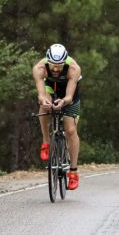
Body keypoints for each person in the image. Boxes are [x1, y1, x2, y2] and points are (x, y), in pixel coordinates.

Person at [32, 43, 82, 190]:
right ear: (48, 61)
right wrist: (44, 100)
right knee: (44, 105)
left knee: (71, 131)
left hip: (69, 92)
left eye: (59, 65)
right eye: (53, 64)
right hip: (50, 87)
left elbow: (68, 96)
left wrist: (64, 101)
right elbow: (41, 94)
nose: (55, 68)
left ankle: (73, 172)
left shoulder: (74, 69)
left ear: (64, 62)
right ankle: (46, 141)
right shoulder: (39, 69)